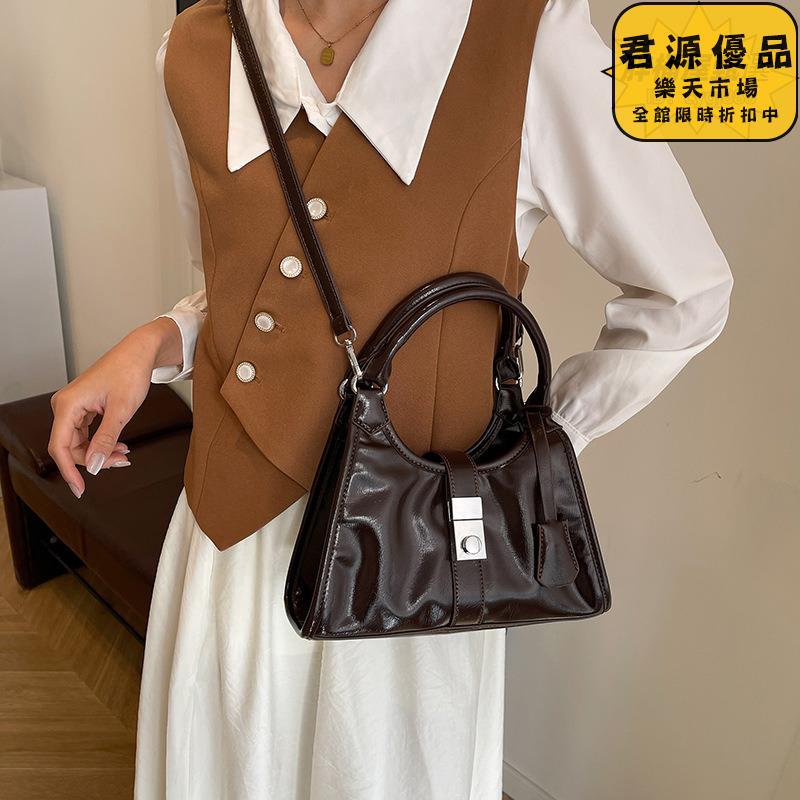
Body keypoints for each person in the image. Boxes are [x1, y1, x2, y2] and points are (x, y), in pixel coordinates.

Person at [47, 0, 734, 797]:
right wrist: (157, 340)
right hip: (230, 546)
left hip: (411, 574)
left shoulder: (526, 39)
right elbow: (242, 283)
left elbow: (687, 293)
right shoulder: (193, 49)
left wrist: (535, 451)